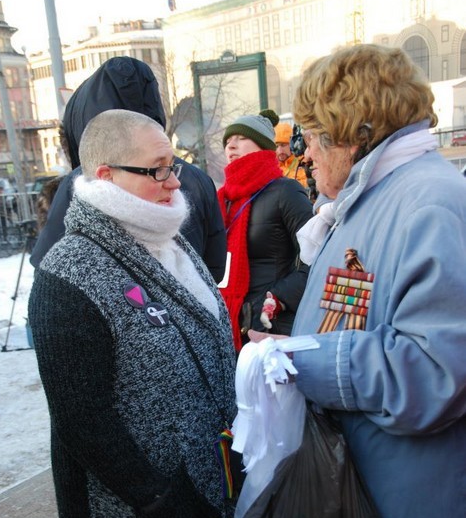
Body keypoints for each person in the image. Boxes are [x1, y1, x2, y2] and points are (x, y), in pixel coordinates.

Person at [250, 44, 466, 518]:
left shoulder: (427, 202)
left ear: (356, 132)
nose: (303, 155)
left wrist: (303, 360)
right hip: (369, 517)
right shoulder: (380, 198)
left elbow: (436, 371)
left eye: (311, 138)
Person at [28, 109, 249, 518]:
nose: (175, 182)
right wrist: (159, 500)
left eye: (173, 164)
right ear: (105, 175)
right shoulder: (70, 271)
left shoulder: (170, 244)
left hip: (215, 509)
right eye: (157, 170)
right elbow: (82, 419)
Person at [30, 56, 227, 283]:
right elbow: (213, 270)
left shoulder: (82, 183)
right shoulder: (199, 179)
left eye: (168, 168)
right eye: (158, 170)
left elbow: (48, 275)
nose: (174, 183)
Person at [219, 111, 313, 352]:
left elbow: (316, 257)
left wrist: (277, 299)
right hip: (230, 324)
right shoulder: (222, 200)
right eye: (228, 141)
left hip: (272, 326)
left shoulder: (286, 191)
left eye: (240, 138)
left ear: (261, 145)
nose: (231, 144)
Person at [274, 121, 309, 189]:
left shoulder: (304, 162)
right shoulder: (271, 166)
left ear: (291, 144)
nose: (279, 150)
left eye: (283, 145)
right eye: (276, 146)